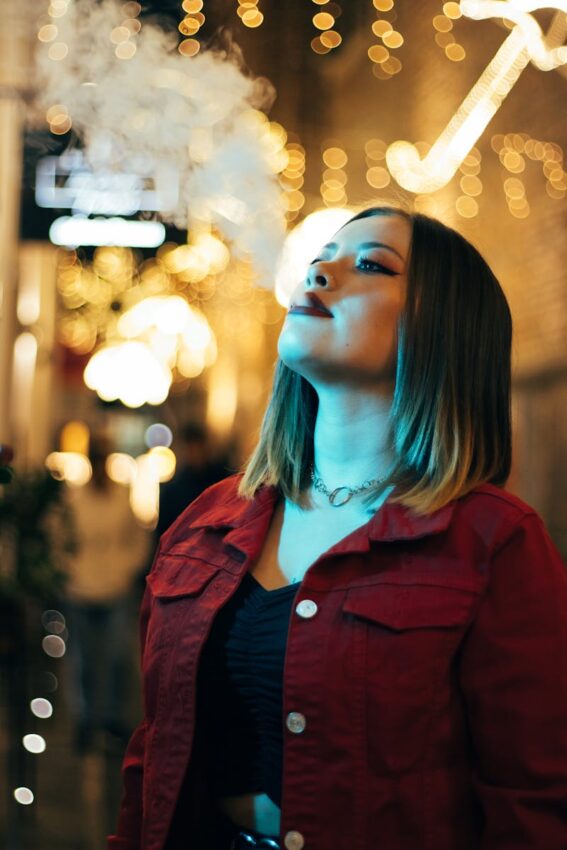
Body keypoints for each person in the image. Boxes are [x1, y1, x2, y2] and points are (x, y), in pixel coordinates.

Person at [107, 206, 567, 850]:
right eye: (322, 256)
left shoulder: (493, 541)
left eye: (371, 264)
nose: (320, 271)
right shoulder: (210, 520)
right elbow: (152, 754)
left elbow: (534, 801)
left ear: (440, 327)